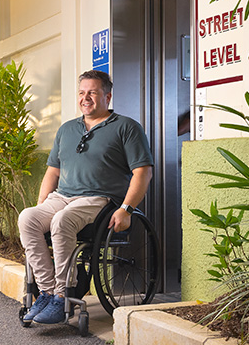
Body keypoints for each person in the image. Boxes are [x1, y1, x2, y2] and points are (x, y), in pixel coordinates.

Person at [18, 70, 153, 325]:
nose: (85, 98)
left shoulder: (126, 127)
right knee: (28, 218)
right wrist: (41, 203)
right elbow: (53, 171)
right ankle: (47, 292)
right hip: (62, 197)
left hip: (99, 200)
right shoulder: (67, 129)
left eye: (92, 92)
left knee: (62, 221)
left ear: (107, 96)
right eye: (82, 92)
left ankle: (63, 295)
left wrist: (126, 209)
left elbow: (143, 172)